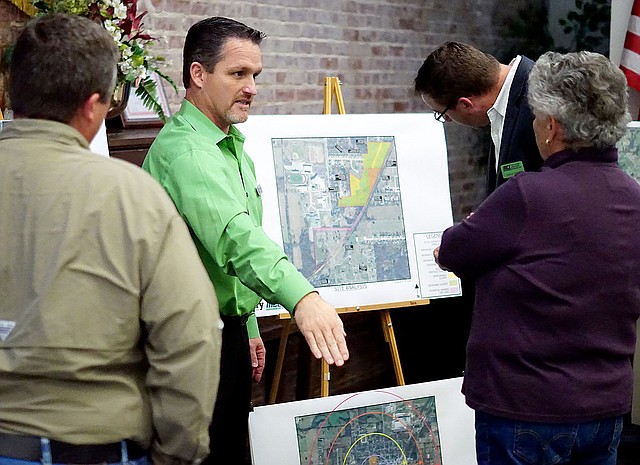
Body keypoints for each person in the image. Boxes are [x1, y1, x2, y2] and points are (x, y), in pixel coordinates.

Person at [0, 13, 222, 465]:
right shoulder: (133, 195)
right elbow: (190, 335)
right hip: (92, 447)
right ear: (93, 106)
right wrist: (177, 455)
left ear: (9, 91)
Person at [142, 17, 350, 464]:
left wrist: (250, 325)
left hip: (226, 333)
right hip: (191, 345)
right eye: (238, 74)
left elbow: (228, 249)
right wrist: (303, 298)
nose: (252, 87)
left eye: (255, 75)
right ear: (198, 75)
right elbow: (237, 239)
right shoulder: (190, 153)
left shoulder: (228, 143)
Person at [434, 51, 640, 465]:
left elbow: (454, 250)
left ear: (551, 127)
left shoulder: (527, 195)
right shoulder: (634, 198)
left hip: (525, 407)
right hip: (606, 407)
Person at [414, 41, 543, 196]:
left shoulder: (541, 99)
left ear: (465, 105)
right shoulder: (503, 105)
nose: (448, 120)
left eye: (442, 114)